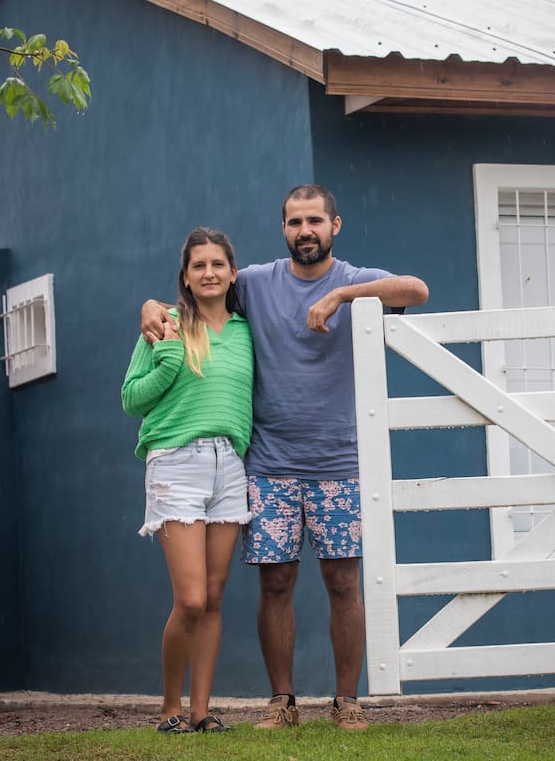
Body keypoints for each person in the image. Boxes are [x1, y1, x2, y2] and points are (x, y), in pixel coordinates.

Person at [142, 185, 429, 730]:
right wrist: (149, 308)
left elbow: (416, 289)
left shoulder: (353, 280)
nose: (305, 231)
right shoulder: (255, 283)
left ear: (334, 226)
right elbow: (196, 291)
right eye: (295, 222)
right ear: (283, 230)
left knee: (344, 582)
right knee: (275, 584)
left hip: (339, 463)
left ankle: (348, 702)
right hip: (269, 466)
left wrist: (345, 298)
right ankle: (283, 703)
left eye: (315, 220)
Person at [122, 228, 254, 734]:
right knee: (192, 599)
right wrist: (170, 359)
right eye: (198, 266)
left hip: (231, 465)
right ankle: (169, 709)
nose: (209, 273)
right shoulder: (166, 326)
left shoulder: (246, 330)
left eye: (217, 264)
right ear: (186, 276)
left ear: (232, 272)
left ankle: (201, 712)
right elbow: (132, 399)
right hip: (177, 463)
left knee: (216, 597)